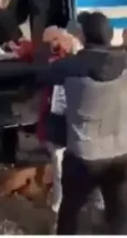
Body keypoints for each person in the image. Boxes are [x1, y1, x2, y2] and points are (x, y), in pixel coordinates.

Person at [36, 12, 127, 234]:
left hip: (84, 156)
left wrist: (53, 45)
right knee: (119, 214)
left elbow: (42, 77)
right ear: (109, 36)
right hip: (121, 154)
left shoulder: (69, 66)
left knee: (71, 214)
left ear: (82, 37)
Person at [33, 23, 104, 217]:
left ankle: (95, 200)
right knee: (60, 167)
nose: (53, 45)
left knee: (87, 162)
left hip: (77, 122)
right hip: (60, 123)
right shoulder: (54, 62)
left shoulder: (79, 59)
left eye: (56, 40)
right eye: (49, 43)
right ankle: (59, 207)